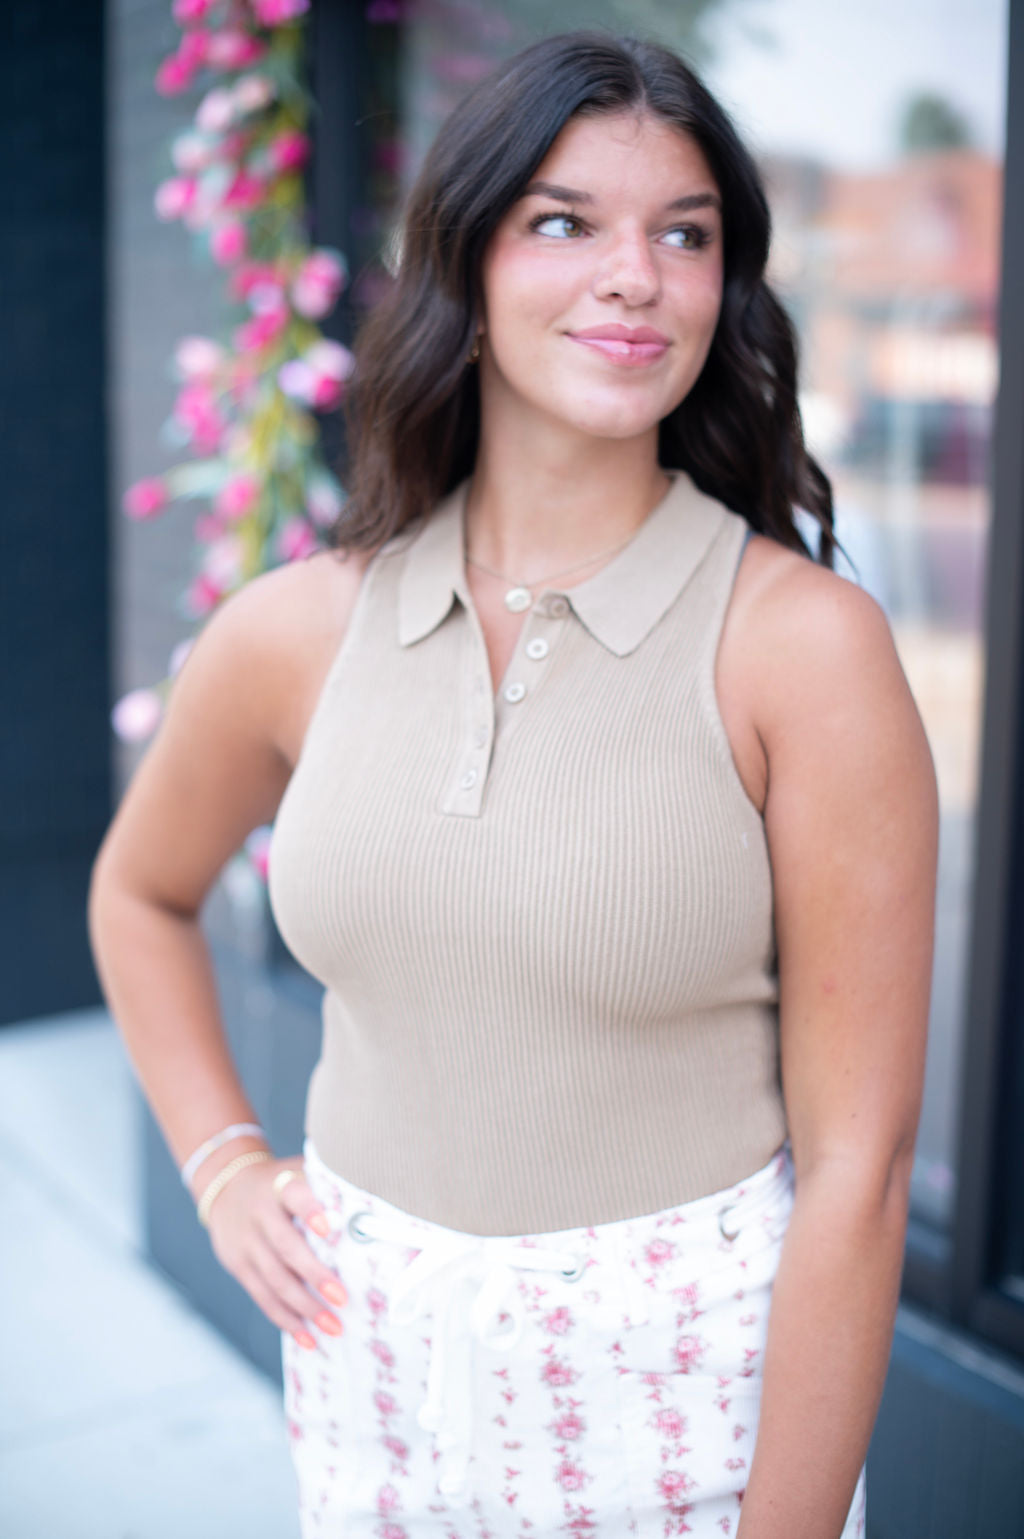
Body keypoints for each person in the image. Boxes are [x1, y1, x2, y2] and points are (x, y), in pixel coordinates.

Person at [88, 28, 938, 1539]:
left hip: (690, 1421)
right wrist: (223, 1170)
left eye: (686, 235)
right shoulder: (298, 630)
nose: (636, 277)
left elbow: (861, 1174)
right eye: (564, 222)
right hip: (368, 1398)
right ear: (465, 267)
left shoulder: (801, 649)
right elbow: (140, 893)